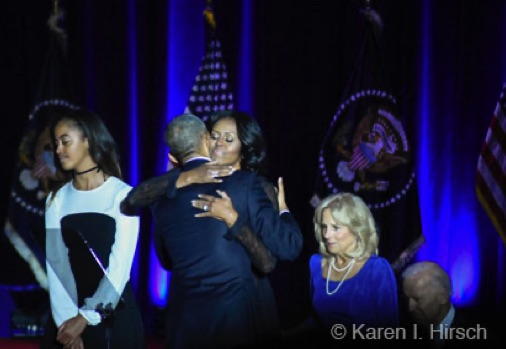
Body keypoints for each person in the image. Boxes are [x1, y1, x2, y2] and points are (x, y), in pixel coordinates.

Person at [121, 110, 296, 344]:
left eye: (229, 138)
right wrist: (186, 178)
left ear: (244, 148)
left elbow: (279, 253)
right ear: (205, 138)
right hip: (218, 315)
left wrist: (280, 210)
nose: (219, 143)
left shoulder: (254, 186)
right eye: (215, 135)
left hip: (245, 305)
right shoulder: (172, 190)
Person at [41, 108, 144, 349]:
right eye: (56, 143)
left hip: (112, 316)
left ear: (88, 140)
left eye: (65, 141)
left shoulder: (123, 195)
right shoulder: (56, 199)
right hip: (64, 318)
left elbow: (120, 270)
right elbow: (56, 265)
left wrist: (85, 318)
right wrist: (66, 322)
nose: (58, 150)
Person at [283, 192, 398, 345]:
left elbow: (390, 331)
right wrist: (287, 334)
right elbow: (319, 320)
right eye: (324, 227)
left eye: (336, 228)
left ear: (357, 229)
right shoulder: (317, 264)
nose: (327, 235)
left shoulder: (377, 269)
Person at [401, 261, 500, 348]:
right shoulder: (406, 334)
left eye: (418, 299)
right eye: (407, 299)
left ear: (443, 296)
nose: (410, 308)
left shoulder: (479, 338)